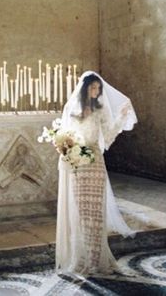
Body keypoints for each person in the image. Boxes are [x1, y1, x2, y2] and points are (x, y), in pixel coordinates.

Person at [55, 70, 137, 277]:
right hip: (78, 163)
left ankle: (94, 260)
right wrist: (66, 150)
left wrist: (121, 116)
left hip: (95, 163)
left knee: (95, 213)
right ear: (84, 89)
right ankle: (80, 259)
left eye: (98, 88)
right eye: (93, 88)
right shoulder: (72, 111)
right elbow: (65, 137)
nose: (96, 91)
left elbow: (107, 136)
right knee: (81, 212)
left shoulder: (100, 110)